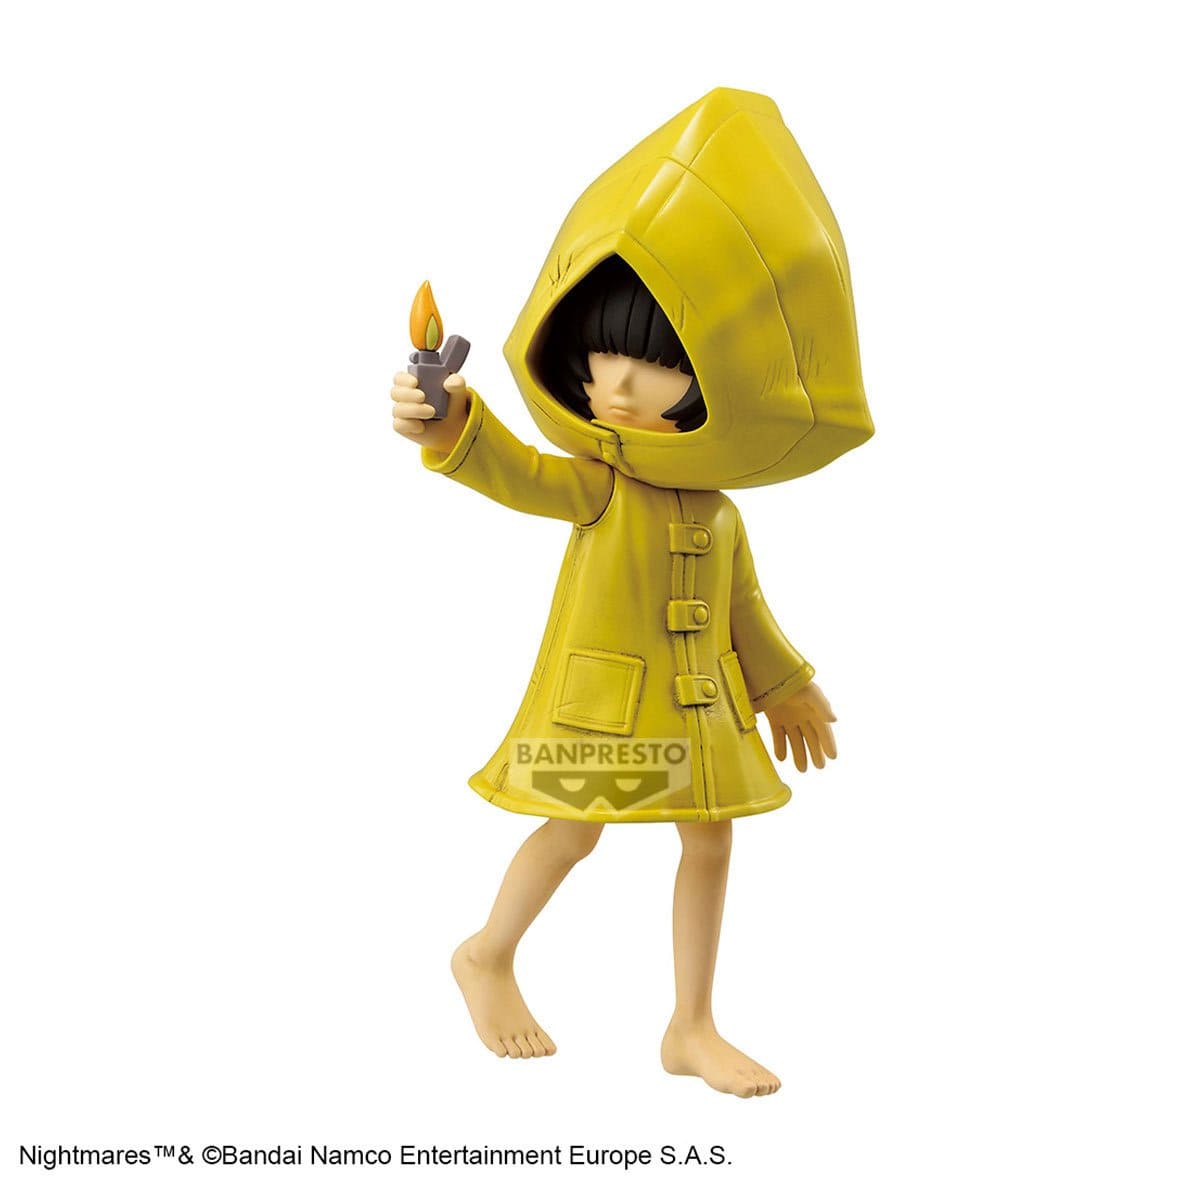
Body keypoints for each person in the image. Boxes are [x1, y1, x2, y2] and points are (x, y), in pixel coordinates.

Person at [390, 88, 873, 1098]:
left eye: (652, 366)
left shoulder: (720, 512)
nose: (613, 385)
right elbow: (517, 472)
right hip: (602, 710)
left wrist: (784, 684)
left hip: (697, 712)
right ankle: (485, 953)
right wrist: (451, 425)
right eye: (600, 355)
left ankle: (691, 1025)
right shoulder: (599, 485)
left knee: (710, 838)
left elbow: (743, 611)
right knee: (573, 829)